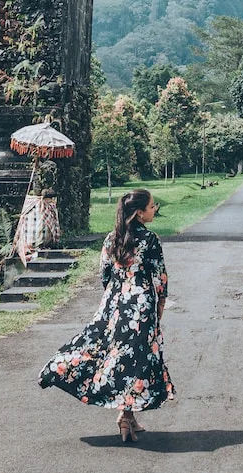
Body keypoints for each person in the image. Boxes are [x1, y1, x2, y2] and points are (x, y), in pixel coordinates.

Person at [37, 188, 173, 442]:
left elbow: (105, 274)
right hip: (141, 307)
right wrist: (160, 306)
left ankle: (127, 416)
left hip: (113, 304)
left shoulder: (112, 238)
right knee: (136, 361)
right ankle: (125, 417)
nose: (155, 209)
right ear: (139, 213)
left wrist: (114, 298)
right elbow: (160, 278)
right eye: (152, 206)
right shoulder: (150, 240)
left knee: (104, 351)